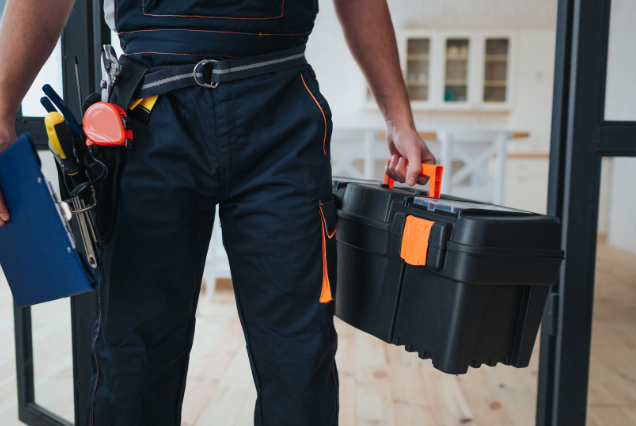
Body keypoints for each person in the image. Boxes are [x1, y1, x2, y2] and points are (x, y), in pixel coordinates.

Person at [0, 0, 435, 424]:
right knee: (133, 354)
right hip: (148, 119)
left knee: (299, 356)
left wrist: (399, 118)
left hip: (280, 117)